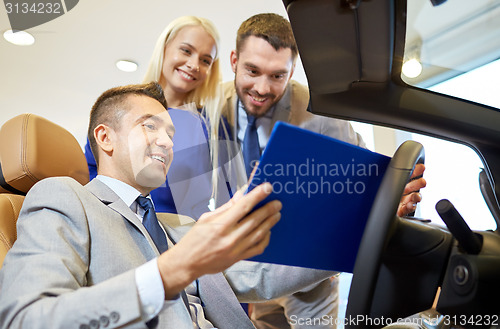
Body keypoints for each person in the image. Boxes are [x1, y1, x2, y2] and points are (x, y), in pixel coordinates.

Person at [0, 82, 334, 329]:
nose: (167, 142)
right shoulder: (64, 198)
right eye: (149, 126)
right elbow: (26, 319)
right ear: (105, 137)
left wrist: (362, 234)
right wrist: (171, 270)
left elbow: (260, 274)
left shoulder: (176, 226)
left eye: (171, 134)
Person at [220, 13, 427, 329]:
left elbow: (354, 183)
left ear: (292, 72)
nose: (261, 88)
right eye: (252, 71)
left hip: (309, 264)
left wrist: (385, 197)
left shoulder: (323, 114)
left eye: (277, 76)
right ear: (234, 60)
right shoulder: (212, 107)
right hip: (252, 254)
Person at [84, 16, 229, 219]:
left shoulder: (211, 125)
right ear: (165, 48)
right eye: (186, 51)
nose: (194, 64)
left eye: (205, 60)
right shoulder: (122, 107)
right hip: (122, 225)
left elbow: (226, 193)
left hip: (186, 235)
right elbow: (92, 168)